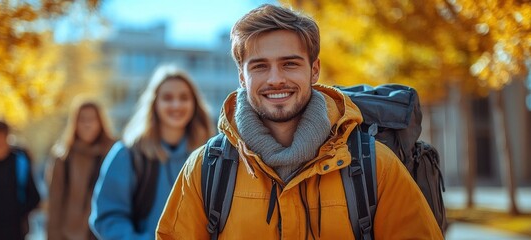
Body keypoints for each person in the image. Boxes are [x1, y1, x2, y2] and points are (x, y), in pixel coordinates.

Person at [157, 4, 443, 239]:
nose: (275, 79)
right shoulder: (205, 168)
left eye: (289, 63)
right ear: (242, 77)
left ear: (314, 70)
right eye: (259, 66)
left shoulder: (375, 164)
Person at [89, 65, 214, 239]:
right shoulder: (127, 155)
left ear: (194, 103)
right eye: (167, 98)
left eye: (184, 97)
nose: (176, 105)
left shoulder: (210, 156)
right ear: (154, 103)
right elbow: (108, 216)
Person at [46, 100, 116, 240]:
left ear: (100, 122)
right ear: (75, 123)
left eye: (92, 119)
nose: (87, 124)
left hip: (104, 233)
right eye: (82, 119)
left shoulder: (114, 154)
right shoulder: (63, 157)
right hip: (70, 234)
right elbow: (55, 202)